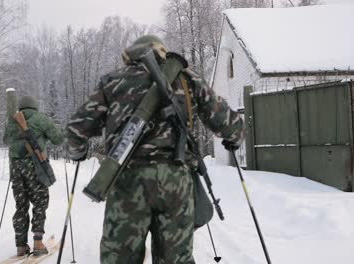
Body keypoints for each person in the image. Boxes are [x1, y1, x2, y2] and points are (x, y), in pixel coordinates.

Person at [66, 35, 245, 264]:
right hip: (176, 181)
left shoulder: (112, 82)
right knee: (177, 259)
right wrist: (235, 138)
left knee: (119, 258)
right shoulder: (187, 78)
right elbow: (226, 120)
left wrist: (78, 152)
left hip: (127, 180)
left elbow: (76, 129)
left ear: (130, 55)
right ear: (161, 51)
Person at [4, 95, 64, 256]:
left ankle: (21, 246)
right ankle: (38, 242)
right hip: (35, 166)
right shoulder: (41, 118)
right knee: (40, 201)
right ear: (35, 106)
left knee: (21, 205)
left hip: (15, 168)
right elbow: (58, 139)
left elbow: (6, 140)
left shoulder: (11, 121)